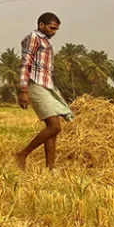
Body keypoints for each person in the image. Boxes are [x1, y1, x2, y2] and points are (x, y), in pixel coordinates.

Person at [14, 12, 74, 170]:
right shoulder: (34, 38)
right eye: (51, 28)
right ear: (41, 25)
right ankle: (22, 154)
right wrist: (23, 90)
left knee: (52, 129)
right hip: (35, 84)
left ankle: (51, 168)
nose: (54, 32)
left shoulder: (45, 41)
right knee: (55, 126)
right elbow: (25, 64)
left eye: (56, 29)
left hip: (46, 86)